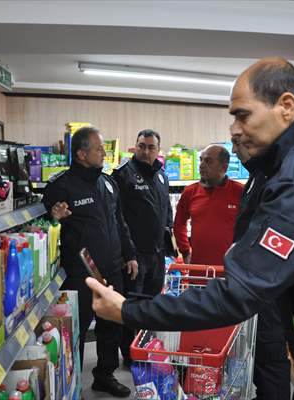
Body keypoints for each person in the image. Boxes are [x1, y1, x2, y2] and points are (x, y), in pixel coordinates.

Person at [86, 58, 294, 399]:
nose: (234, 129)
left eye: (242, 115)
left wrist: (129, 309)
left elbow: (238, 294)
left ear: (286, 106)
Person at [42, 126, 138, 397]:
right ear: (82, 153)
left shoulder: (108, 182)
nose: (103, 153)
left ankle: (104, 376)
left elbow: (120, 222)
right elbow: (46, 224)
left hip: (112, 269)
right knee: (78, 331)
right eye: (98, 149)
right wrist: (54, 216)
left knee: (112, 325)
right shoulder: (60, 185)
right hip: (79, 273)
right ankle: (73, 386)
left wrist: (129, 254)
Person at [232, 134, 291, 400]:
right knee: (255, 350)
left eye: (239, 144)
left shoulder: (276, 178)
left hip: (266, 285)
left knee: (270, 353)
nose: (235, 150)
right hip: (251, 282)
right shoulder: (256, 175)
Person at [111, 128, 173, 367]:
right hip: (135, 257)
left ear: (158, 151)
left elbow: (166, 209)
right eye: (141, 146)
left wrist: (168, 240)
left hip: (157, 255)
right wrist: (129, 254)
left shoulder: (161, 175)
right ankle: (130, 355)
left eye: (151, 147)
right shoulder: (123, 175)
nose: (145, 151)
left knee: (152, 304)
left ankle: (147, 348)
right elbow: (118, 219)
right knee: (132, 307)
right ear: (134, 147)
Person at [173, 144, 244, 265]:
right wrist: (185, 251)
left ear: (224, 167)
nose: (201, 165)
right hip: (197, 270)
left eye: (208, 161)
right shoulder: (190, 192)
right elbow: (179, 224)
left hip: (231, 270)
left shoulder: (240, 191)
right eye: (201, 160)